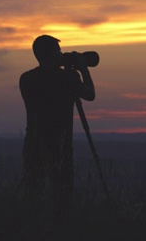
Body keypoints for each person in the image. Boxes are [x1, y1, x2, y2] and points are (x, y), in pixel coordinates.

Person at [19, 35, 95, 214]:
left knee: (32, 193)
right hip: (60, 145)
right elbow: (90, 94)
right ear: (53, 54)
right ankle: (60, 227)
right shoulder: (68, 77)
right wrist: (83, 69)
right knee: (62, 196)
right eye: (59, 52)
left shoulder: (26, 79)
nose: (62, 55)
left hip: (33, 143)